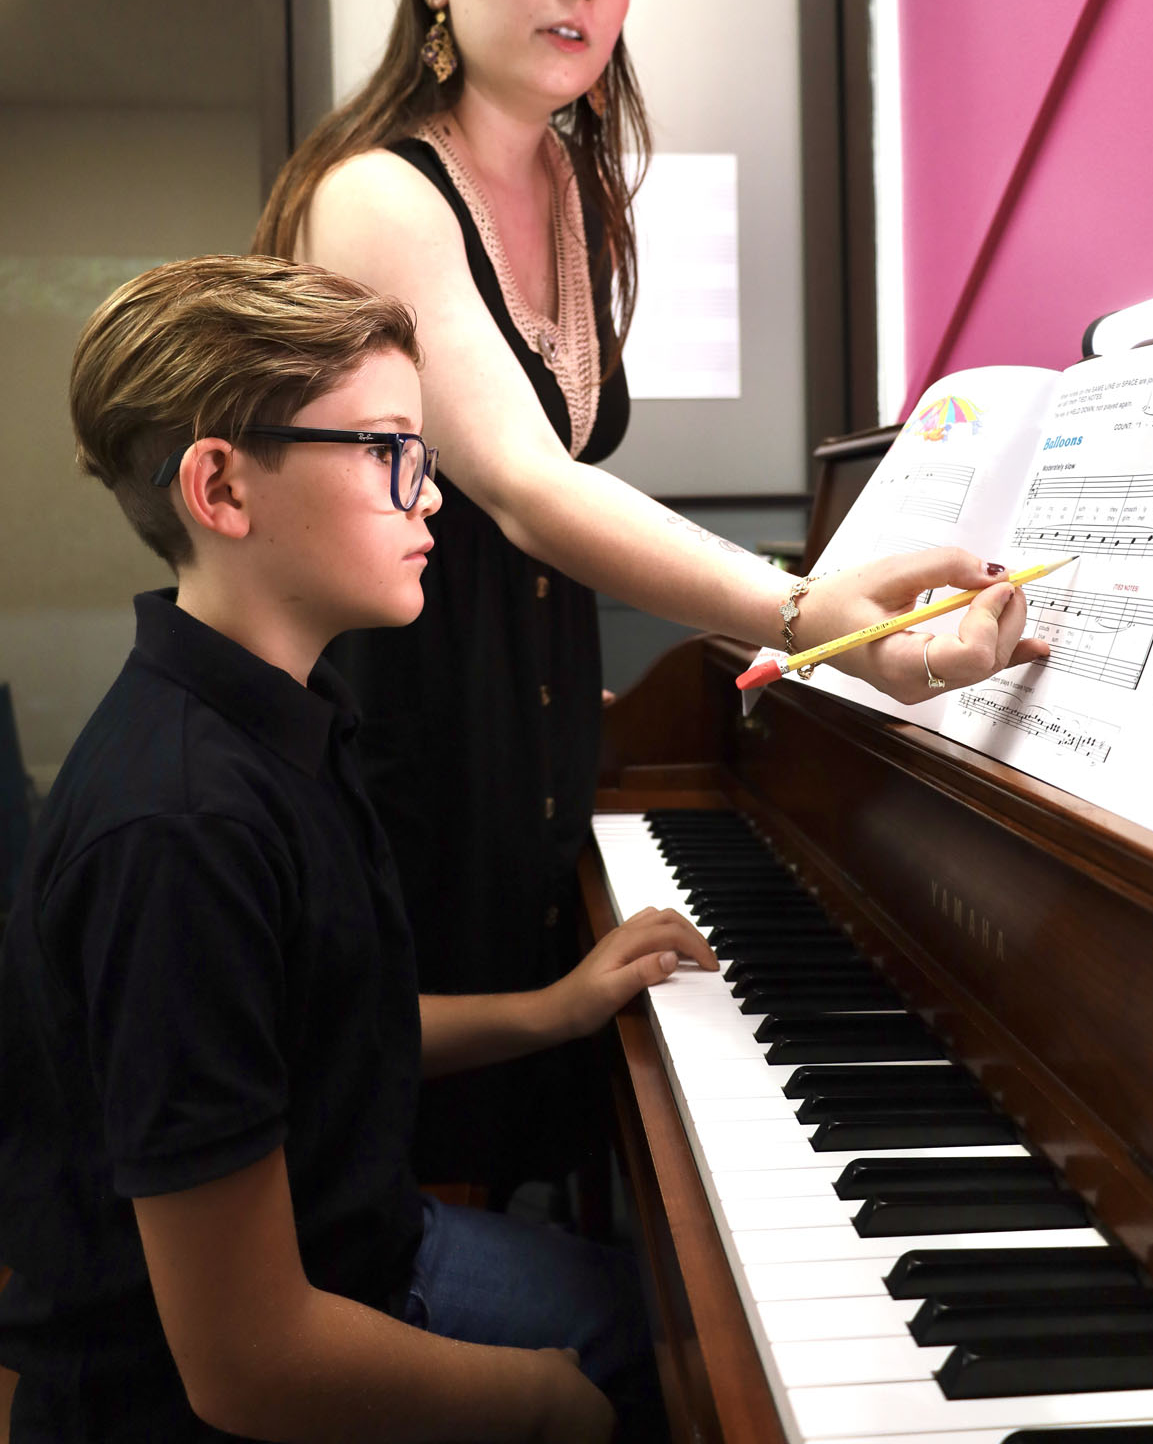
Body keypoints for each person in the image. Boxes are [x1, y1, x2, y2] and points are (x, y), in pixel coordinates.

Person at [252, 0, 1048, 1195]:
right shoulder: (376, 193)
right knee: (420, 1175)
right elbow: (525, 488)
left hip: (539, 742)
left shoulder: (576, 183)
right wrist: (816, 613)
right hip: (412, 740)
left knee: (571, 1165)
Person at [0, 254, 716, 1443]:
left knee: (666, 1305)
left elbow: (326, 1029)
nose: (432, 496)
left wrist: (557, 1006)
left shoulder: (276, 716)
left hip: (364, 1239)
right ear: (222, 489)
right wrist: (541, 1404)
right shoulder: (181, 831)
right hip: (204, 1383)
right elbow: (250, 1363)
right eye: (391, 452)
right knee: (668, 1364)